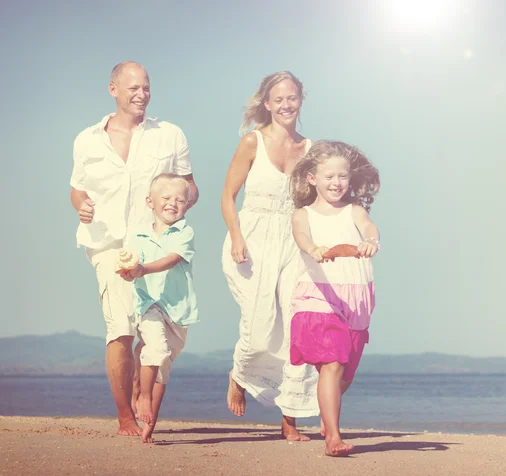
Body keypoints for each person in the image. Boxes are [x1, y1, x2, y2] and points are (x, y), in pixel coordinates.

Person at [69, 62, 198, 436]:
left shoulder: (170, 135)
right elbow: (76, 188)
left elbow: (191, 187)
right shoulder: (87, 139)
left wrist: (175, 206)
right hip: (109, 246)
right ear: (113, 89)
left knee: (162, 334)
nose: (141, 95)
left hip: (156, 246)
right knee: (121, 328)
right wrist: (81, 204)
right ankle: (125, 415)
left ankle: (144, 384)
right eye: (133, 88)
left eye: (146, 87)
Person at [221, 71, 319, 440]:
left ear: (300, 99)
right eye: (278, 99)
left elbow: (319, 200)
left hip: (294, 242)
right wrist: (236, 237)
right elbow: (227, 196)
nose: (285, 105)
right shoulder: (252, 142)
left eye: (291, 98)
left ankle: (289, 420)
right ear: (267, 103)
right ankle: (239, 374)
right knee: (260, 327)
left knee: (295, 327)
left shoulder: (312, 150)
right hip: (252, 239)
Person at [288, 140, 380, 456]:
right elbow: (302, 237)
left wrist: (370, 241)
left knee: (344, 372)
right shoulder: (303, 214)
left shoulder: (355, 211)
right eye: (329, 177)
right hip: (318, 294)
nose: (336, 183)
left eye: (342, 176)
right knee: (333, 361)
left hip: (356, 296)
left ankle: (329, 415)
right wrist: (312, 249)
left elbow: (369, 227)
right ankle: (333, 439)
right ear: (312, 177)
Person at [119, 173, 199, 443]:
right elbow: (132, 264)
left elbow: (171, 259)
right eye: (165, 198)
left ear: (187, 205)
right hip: (149, 303)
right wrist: (131, 272)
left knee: (163, 364)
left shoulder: (184, 232)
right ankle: (142, 396)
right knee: (158, 349)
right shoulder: (138, 235)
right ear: (150, 201)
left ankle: (149, 424)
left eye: (180, 200)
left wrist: (141, 269)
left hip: (178, 311)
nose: (172, 204)